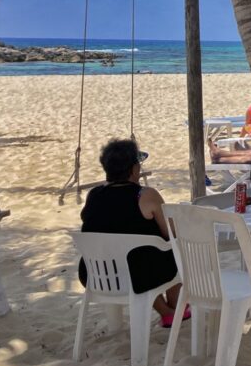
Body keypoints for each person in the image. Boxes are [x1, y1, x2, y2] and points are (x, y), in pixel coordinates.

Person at [77, 139, 186, 326]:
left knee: (137, 257)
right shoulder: (145, 195)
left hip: (96, 274)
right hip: (138, 277)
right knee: (175, 249)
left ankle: (166, 311)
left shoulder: (94, 195)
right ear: (134, 169)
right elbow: (170, 233)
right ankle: (174, 309)